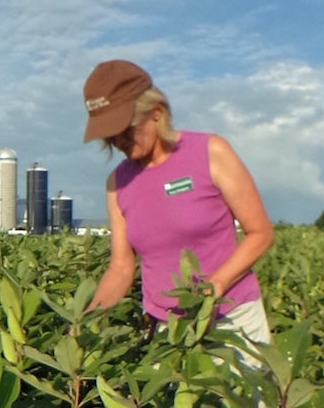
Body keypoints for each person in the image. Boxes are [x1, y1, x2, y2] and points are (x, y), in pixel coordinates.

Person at [83, 60, 274, 347]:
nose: (117, 139)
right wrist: (85, 322)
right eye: (109, 133)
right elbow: (121, 268)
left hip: (232, 321)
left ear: (156, 113)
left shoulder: (211, 151)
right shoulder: (117, 183)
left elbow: (260, 233)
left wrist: (214, 288)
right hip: (168, 332)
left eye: (124, 127)